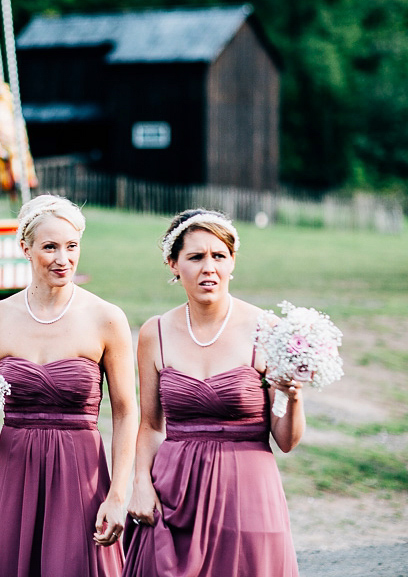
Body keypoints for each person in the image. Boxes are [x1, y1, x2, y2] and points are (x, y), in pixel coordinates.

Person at [0, 194, 138, 577]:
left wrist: (118, 494)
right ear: (25, 248)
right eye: (50, 247)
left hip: (81, 472)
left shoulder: (106, 318)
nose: (63, 259)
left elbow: (126, 411)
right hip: (15, 471)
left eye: (72, 246)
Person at [123, 209, 305, 576]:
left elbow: (285, 441)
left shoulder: (267, 329)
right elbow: (150, 426)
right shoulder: (153, 332)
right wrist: (140, 483)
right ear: (173, 265)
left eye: (219, 256)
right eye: (196, 257)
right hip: (174, 493)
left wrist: (293, 396)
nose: (209, 267)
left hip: (247, 493)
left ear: (232, 262)